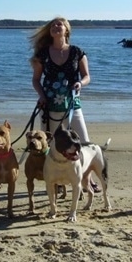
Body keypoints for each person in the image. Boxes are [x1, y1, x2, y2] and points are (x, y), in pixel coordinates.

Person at [29, 16, 101, 193]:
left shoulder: (77, 52)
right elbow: (36, 80)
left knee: (82, 141)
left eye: (59, 24)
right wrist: (41, 96)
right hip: (49, 106)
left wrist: (80, 84)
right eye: (53, 25)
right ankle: (57, 183)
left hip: (72, 104)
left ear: (66, 29)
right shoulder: (43, 54)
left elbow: (87, 76)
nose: (55, 27)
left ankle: (87, 179)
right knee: (54, 145)